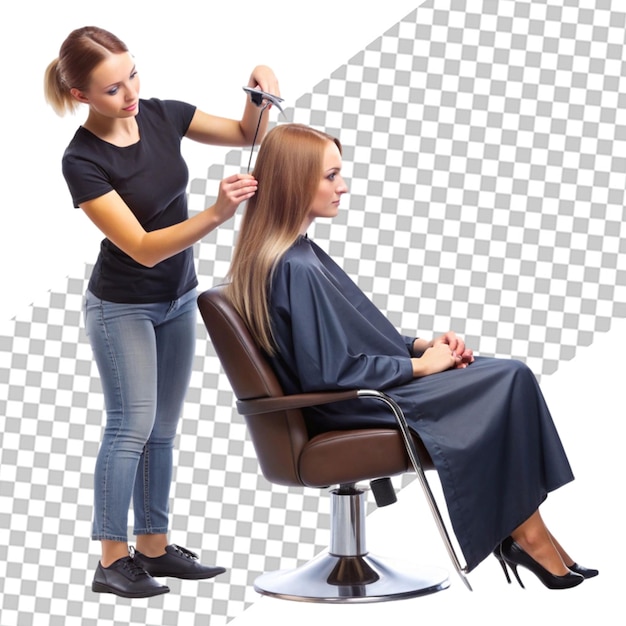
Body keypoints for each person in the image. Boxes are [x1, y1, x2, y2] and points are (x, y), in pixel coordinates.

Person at [225, 123, 598, 589]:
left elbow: (353, 336)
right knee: (510, 377)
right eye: (330, 176)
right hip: (352, 403)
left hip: (362, 389)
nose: (342, 186)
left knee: (506, 376)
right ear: (292, 181)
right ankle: (527, 533)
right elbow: (330, 370)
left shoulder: (297, 253)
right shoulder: (295, 266)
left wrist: (421, 346)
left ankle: (526, 529)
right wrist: (420, 367)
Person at [44, 26, 280, 598]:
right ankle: (111, 559)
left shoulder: (162, 114)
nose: (129, 95)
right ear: (80, 96)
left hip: (178, 298)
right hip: (122, 306)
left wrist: (261, 84)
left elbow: (248, 131)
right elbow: (143, 247)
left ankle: (152, 546)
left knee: (164, 431)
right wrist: (219, 212)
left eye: (132, 76)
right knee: (131, 426)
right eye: (110, 90)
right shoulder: (82, 160)